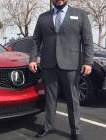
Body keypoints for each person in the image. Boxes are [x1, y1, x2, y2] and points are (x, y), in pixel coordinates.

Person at [29, 0, 93, 140]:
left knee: (72, 99)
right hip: (49, 64)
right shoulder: (43, 17)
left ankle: (76, 131)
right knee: (50, 98)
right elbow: (36, 40)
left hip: (71, 64)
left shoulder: (80, 14)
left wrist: (88, 62)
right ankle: (48, 126)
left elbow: (87, 40)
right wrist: (33, 59)